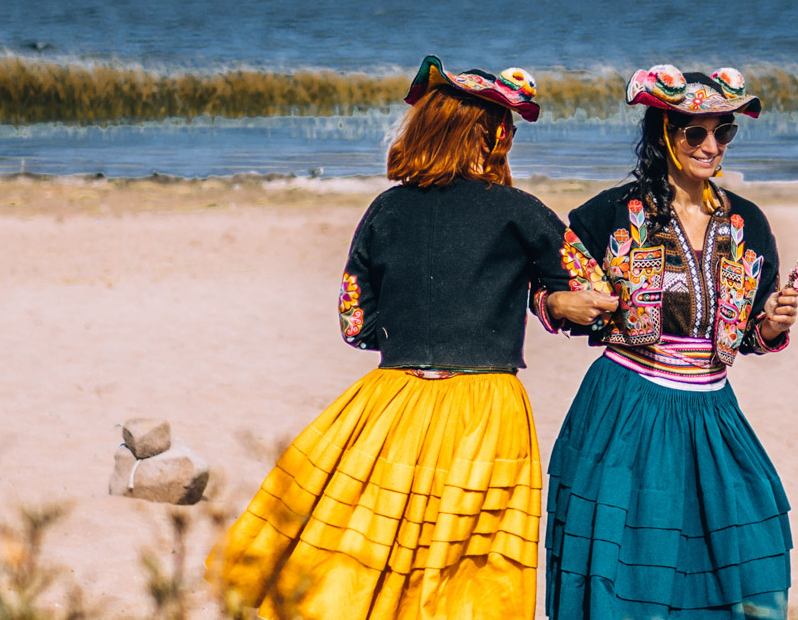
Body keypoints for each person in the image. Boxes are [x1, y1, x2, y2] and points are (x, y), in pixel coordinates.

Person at [208, 56, 614, 620]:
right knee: (470, 566)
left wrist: (414, 328)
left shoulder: (386, 209)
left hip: (392, 400)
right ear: (491, 136)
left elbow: (355, 322)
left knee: (368, 544)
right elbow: (594, 294)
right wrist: (543, 302)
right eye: (508, 129)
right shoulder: (522, 213)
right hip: (484, 408)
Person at [538, 64, 798, 619]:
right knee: (628, 559)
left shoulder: (748, 222)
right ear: (663, 133)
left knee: (749, 544)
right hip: (626, 404)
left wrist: (773, 326)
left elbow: (751, 333)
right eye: (695, 132)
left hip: (712, 408)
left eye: (723, 131)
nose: (711, 146)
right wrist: (559, 304)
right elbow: (547, 287)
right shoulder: (607, 215)